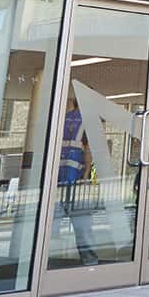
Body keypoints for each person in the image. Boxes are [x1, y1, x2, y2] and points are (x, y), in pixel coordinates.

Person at [56, 98, 100, 266]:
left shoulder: (62, 118)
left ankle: (36, 265)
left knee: (48, 226)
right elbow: (88, 150)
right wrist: (87, 173)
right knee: (82, 226)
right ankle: (90, 262)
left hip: (56, 179)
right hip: (75, 179)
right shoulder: (88, 120)